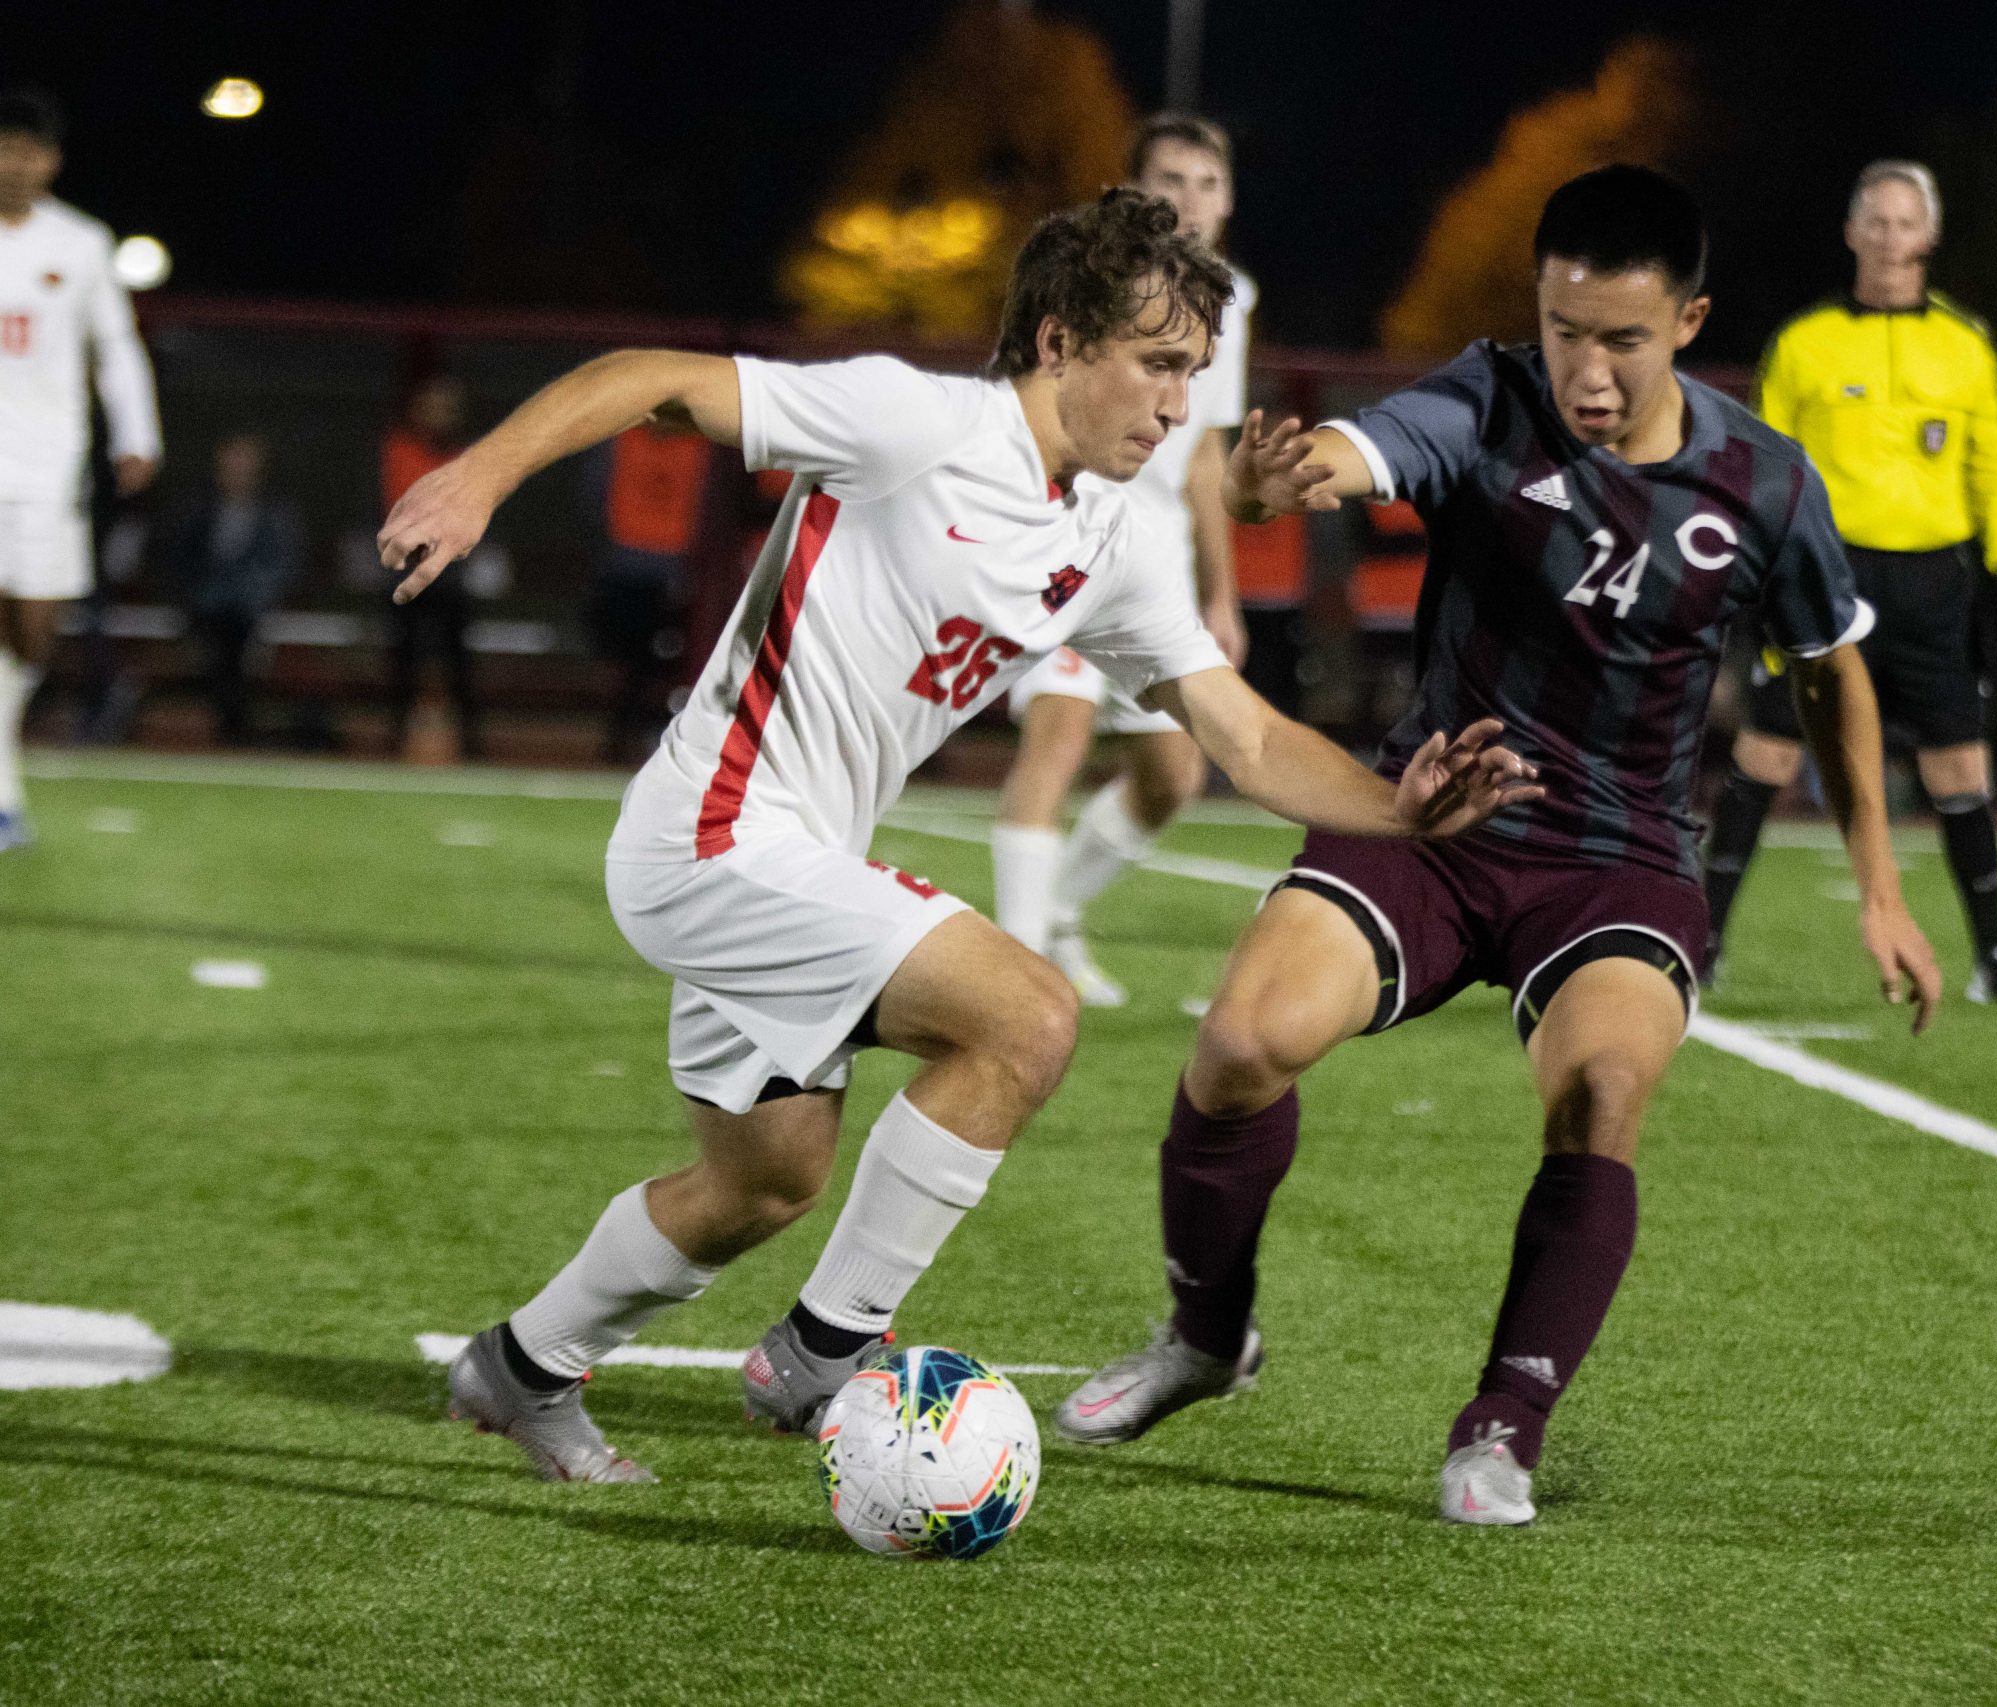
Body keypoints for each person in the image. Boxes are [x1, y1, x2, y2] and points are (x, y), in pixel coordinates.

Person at [378, 189, 1536, 1485]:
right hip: (714, 833)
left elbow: (1247, 736)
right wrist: (476, 476)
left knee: (764, 1183)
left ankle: (519, 1366)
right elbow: (650, 378)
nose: (1176, 406)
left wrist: (1401, 809)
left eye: (1193, 375)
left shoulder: (1113, 540)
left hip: (789, 863)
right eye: (1155, 365)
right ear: (1055, 341)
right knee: (1027, 1015)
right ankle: (826, 1355)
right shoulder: (919, 420)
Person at [1057, 167, 1941, 1525]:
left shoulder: (1763, 479)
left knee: (1598, 1088)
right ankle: (1203, 1334)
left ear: (1690, 321)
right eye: (1565, 328)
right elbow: (1368, 450)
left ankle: (1502, 1422)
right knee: (1239, 1043)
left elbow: (1832, 672)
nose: (1587, 368)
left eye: (1623, 339)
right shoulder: (1489, 396)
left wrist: (1880, 887)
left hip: (1620, 854)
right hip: (1434, 814)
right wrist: (1286, 477)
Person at [1703, 159, 1997, 1003]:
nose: (1891, 239)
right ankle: (1701, 947)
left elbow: (1991, 464)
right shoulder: (1805, 342)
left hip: (1933, 586)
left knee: (1960, 769)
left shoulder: (1967, 346)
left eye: (1905, 224)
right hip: (1825, 576)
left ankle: (1994, 961)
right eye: (1875, 223)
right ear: (1852, 232)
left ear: (1929, 236)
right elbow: (1763, 467)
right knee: (1764, 755)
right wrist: (1755, 567)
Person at [992, 114, 1256, 1006]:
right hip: (1071, 536)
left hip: (1155, 563)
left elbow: (1206, 454)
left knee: (1171, 776)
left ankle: (1055, 915)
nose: (1189, 201)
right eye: (1170, 182)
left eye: (1207, 183)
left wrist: (1223, 593)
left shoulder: (1234, 299)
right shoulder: (1093, 288)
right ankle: (1017, 974)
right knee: (1057, 735)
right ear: (1134, 193)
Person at [0, 87, 160, 848]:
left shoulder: (82, 243)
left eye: (29, 149)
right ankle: (2, 791)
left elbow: (116, 346)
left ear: (53, 160)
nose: (15, 162)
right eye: (5, 146)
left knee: (34, 629)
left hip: (47, 465)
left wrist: (138, 434)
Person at [584, 420, 713, 764]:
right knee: (623, 664)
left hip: (673, 570)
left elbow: (707, 505)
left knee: (662, 668)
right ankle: (617, 742)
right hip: (623, 568)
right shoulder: (621, 438)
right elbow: (595, 496)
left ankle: (653, 742)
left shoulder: (699, 446)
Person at [167, 432, 302, 745]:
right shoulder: (196, 508)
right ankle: (226, 725)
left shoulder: (277, 513)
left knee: (237, 634)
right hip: (205, 606)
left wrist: (257, 596)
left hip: (253, 608)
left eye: (245, 463)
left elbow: (284, 566)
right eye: (231, 463)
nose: (237, 470)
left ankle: (233, 726)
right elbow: (179, 561)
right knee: (219, 635)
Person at [381, 374, 485, 760]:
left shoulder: (468, 456)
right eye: (433, 406)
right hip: (406, 572)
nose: (440, 415)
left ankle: (473, 746)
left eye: (447, 408)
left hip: (453, 576)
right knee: (403, 660)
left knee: (459, 665)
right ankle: (394, 741)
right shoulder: (399, 449)